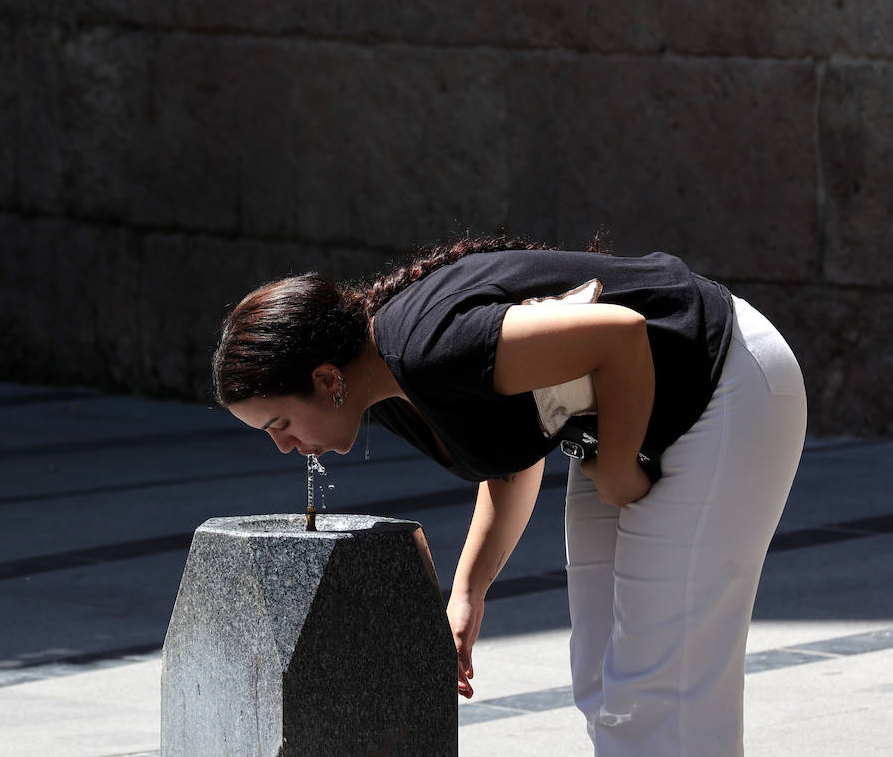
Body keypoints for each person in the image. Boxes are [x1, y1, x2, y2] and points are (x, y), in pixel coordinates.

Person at [211, 235, 806, 757]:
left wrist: (617, 467)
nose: (283, 446)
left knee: (662, 684)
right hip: (626, 414)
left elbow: (620, 335)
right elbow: (509, 451)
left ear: (326, 380)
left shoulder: (427, 348)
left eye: (279, 424)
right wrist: (468, 593)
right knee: (601, 680)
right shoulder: (381, 384)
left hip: (721, 380)